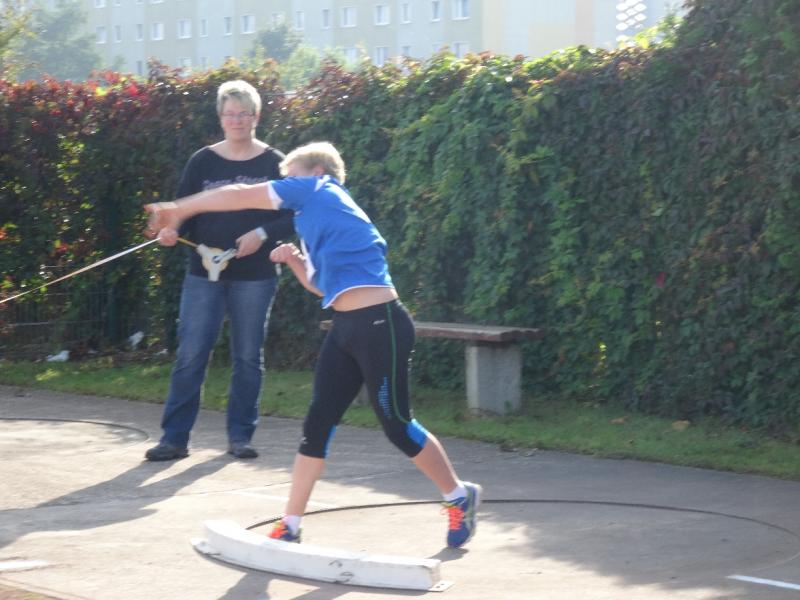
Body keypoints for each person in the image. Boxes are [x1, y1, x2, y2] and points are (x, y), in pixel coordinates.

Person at [144, 141, 481, 548]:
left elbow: (237, 194)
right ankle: (290, 524)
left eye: (292, 176)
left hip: (381, 324)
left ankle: (457, 495)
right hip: (345, 327)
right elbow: (322, 287)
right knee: (316, 426)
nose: (285, 185)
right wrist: (294, 261)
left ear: (317, 173)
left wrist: (180, 208)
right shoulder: (316, 218)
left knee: (396, 424)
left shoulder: (320, 190)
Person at [144, 80, 294, 462]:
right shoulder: (202, 161)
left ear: (256, 116)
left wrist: (261, 234)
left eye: (244, 113)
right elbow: (182, 211)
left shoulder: (275, 163)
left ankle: (240, 437)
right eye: (230, 114)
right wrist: (171, 231)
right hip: (203, 274)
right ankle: (174, 439)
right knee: (191, 354)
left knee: (247, 357)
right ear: (220, 117)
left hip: (256, 276)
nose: (237, 120)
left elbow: (293, 215)